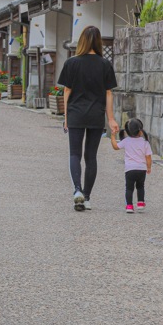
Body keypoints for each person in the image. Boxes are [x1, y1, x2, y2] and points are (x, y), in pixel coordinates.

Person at [58, 25, 118, 212]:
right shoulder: (105, 64)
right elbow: (108, 93)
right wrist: (111, 119)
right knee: (91, 156)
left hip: (75, 113)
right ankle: (88, 197)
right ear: (99, 41)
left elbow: (67, 91)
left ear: (82, 40)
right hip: (96, 114)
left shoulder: (71, 63)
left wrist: (66, 117)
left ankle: (77, 191)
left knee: (74, 154)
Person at [110, 118, 152, 213]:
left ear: (127, 132)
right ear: (140, 131)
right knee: (140, 186)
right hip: (141, 169)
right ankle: (140, 204)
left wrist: (113, 136)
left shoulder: (126, 141)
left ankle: (129, 206)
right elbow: (148, 157)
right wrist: (148, 167)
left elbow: (115, 147)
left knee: (129, 188)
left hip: (130, 169)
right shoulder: (145, 143)